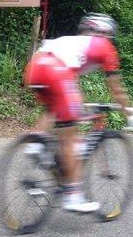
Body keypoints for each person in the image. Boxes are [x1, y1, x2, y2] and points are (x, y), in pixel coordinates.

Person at [24, 12, 133, 213]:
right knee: (70, 137)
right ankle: (73, 196)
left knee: (55, 109)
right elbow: (115, 86)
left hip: (34, 68)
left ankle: (36, 144)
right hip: (56, 72)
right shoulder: (105, 47)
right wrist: (128, 112)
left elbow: (69, 84)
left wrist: (79, 107)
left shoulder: (72, 42)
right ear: (106, 33)